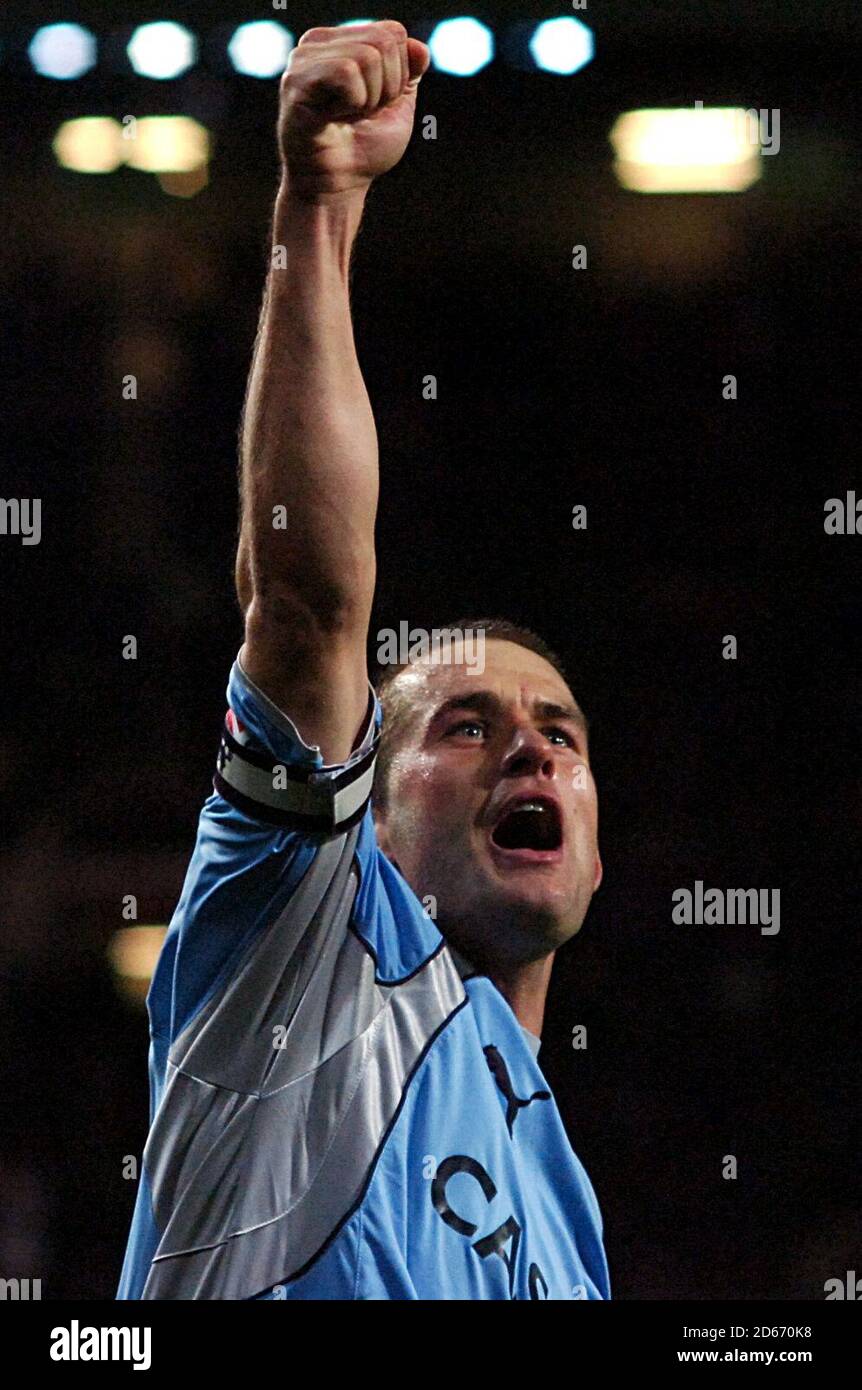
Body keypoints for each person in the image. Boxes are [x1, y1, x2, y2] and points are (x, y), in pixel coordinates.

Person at [117, 19, 609, 1301]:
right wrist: (321, 204)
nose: (533, 744)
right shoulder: (301, 957)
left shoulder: (570, 1211)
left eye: (560, 728)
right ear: (361, 827)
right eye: (463, 724)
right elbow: (306, 604)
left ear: (600, 851)